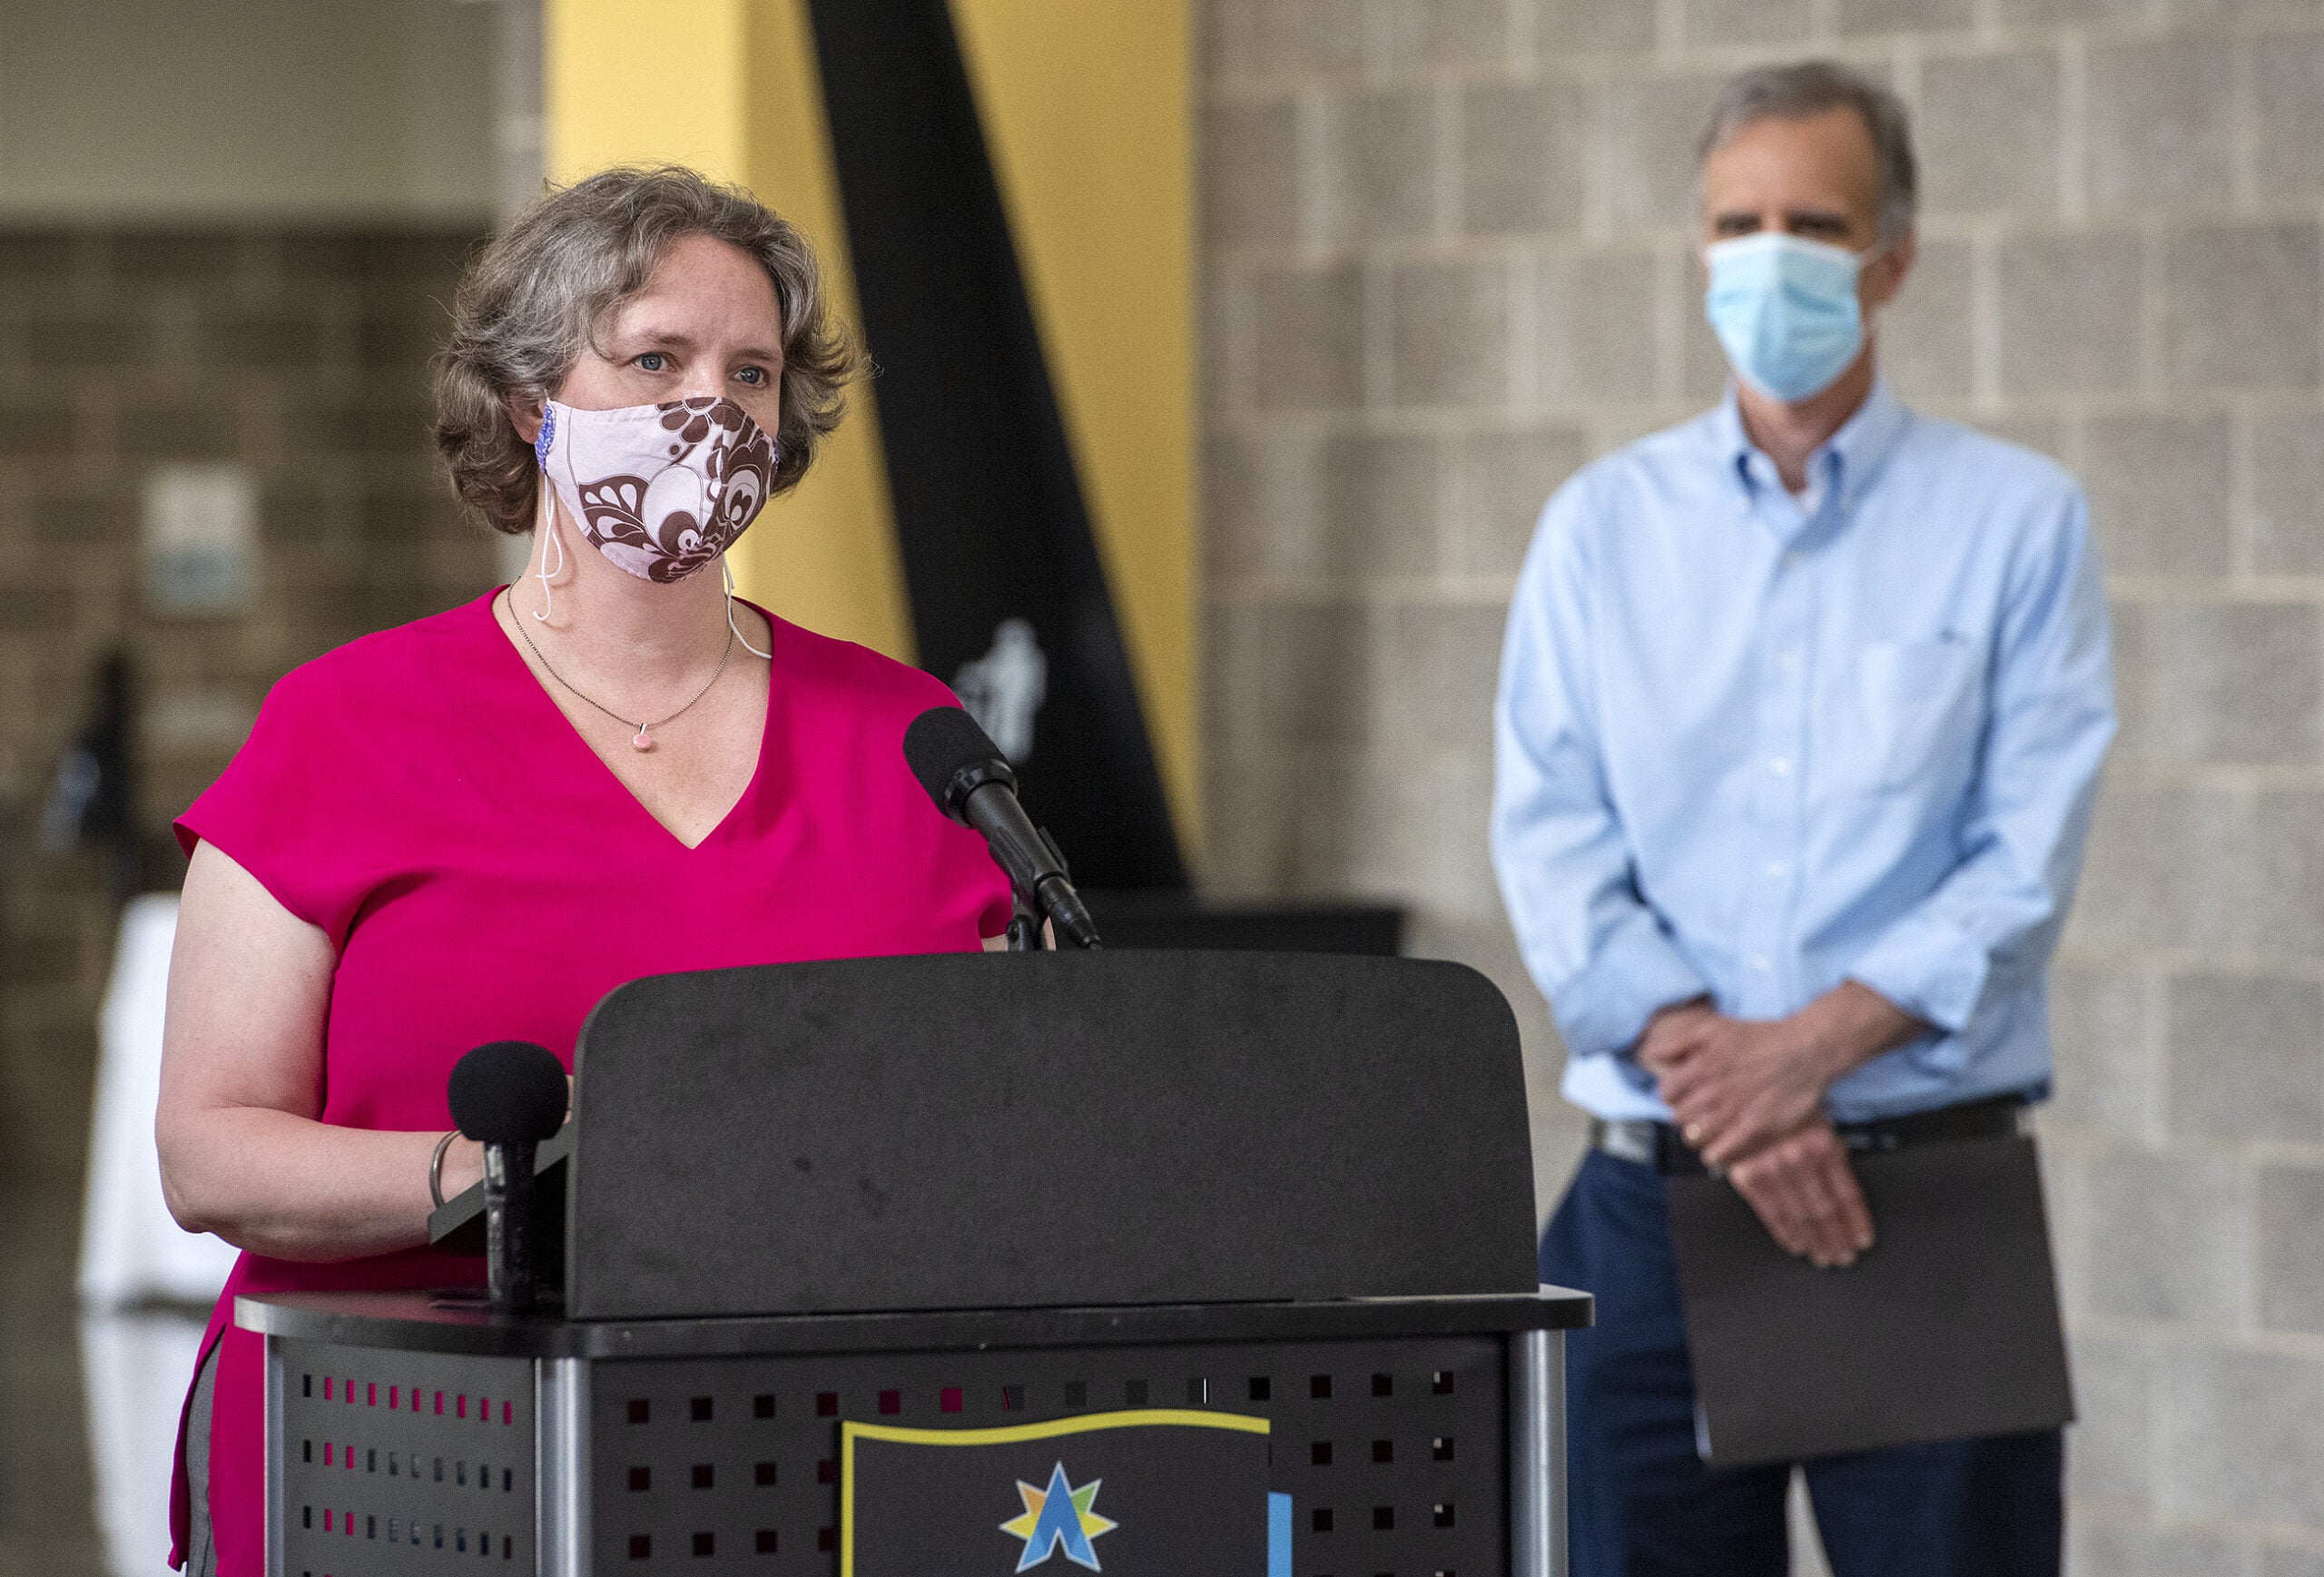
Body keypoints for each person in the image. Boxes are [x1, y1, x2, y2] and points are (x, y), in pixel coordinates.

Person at [153, 167, 1012, 1576]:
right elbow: (209, 1150)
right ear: (527, 401)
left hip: (825, 1451)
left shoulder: (910, 735)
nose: (713, 408)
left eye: (752, 373)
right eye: (657, 359)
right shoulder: (345, 725)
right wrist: (519, 1178)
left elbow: (993, 1123)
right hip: (398, 1449)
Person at [1489, 61, 2113, 1576]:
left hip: (1921, 1208)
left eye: (1815, 223)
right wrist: (1739, 1091)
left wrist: (1800, 1057)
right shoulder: (1598, 530)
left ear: (1892, 258)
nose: (1770, 256)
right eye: (1738, 222)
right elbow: (1551, 835)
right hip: (1646, 1217)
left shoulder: (2018, 522)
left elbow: (2023, 862)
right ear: (1700, 250)